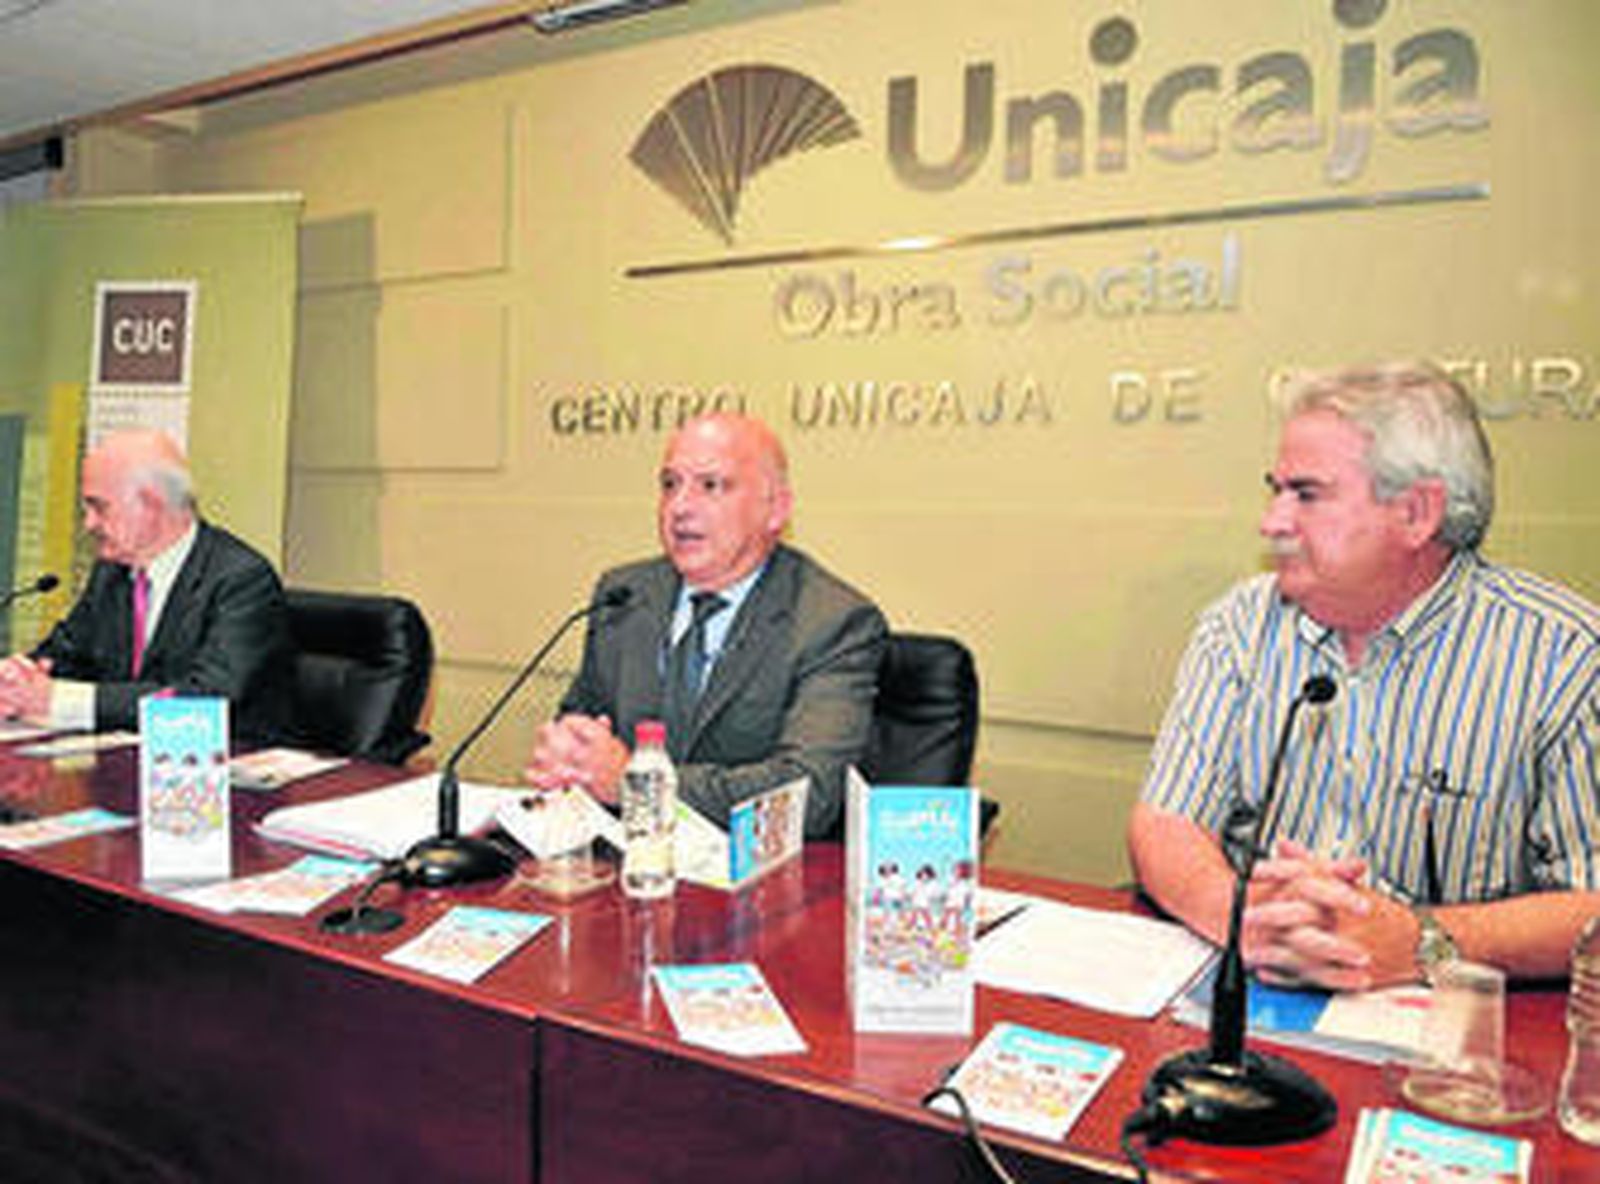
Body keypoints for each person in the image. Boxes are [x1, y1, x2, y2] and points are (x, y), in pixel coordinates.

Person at [1129, 362, 1599, 990]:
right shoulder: (1239, 624)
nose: (1272, 523)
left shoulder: (1564, 656)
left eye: (1306, 494)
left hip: (1453, 1037)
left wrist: (1420, 940)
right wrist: (1242, 917)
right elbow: (1165, 823)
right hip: (1255, 997)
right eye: (1276, 490)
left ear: (1415, 512)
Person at [525, 412, 886, 838]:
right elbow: (582, 718)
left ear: (776, 509)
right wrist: (570, 750)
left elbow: (808, 795)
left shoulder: (832, 621)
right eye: (670, 484)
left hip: (753, 885)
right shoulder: (624, 594)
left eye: (711, 485)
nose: (680, 507)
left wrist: (637, 784)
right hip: (626, 869)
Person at [0, 430, 293, 744]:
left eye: (99, 507)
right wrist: (19, 678)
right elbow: (65, 653)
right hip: (122, 765)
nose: (89, 524)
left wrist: (59, 700)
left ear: (152, 504)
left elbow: (205, 698)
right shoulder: (111, 573)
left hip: (221, 774)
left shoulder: (242, 580)